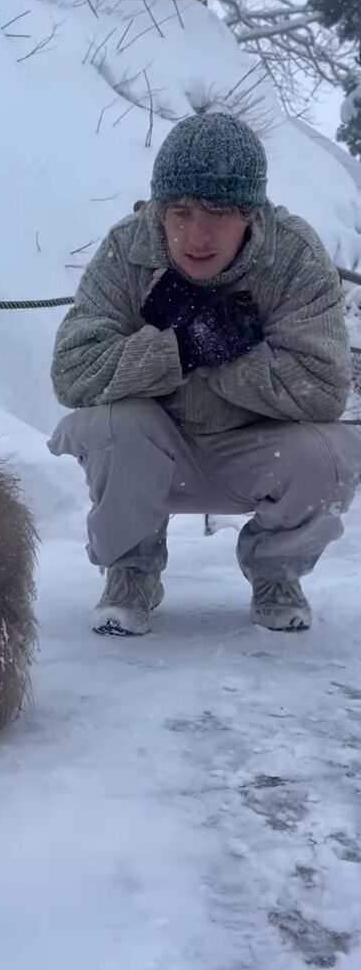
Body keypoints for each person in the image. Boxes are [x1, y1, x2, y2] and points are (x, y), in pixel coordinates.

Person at [47, 112, 361, 636]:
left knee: (330, 452)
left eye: (217, 212)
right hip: (153, 454)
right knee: (109, 425)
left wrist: (223, 349)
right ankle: (131, 570)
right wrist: (182, 346)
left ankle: (276, 573)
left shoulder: (294, 256)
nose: (196, 234)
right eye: (179, 211)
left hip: (256, 449)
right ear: (157, 209)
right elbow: (73, 373)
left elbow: (323, 389)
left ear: (251, 214)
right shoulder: (126, 251)